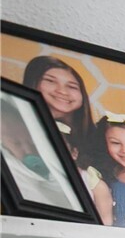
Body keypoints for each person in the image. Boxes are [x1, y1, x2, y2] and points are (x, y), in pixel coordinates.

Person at [21, 56, 113, 222]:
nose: (62, 91)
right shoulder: (16, 125)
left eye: (72, 86)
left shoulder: (100, 137)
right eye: (50, 81)